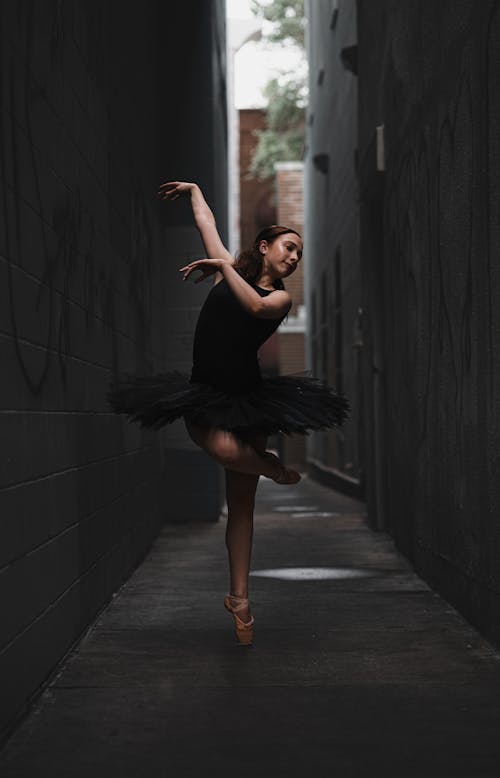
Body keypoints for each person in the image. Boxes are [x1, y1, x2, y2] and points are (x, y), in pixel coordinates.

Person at [107, 181, 349, 646]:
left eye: (299, 254)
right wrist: (196, 191)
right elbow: (207, 225)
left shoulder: (279, 298)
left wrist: (223, 266)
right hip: (203, 395)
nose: (294, 258)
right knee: (222, 449)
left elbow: (255, 304)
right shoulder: (228, 272)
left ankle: (240, 599)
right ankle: (273, 469)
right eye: (289, 248)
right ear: (265, 246)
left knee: (242, 505)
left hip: (248, 399)